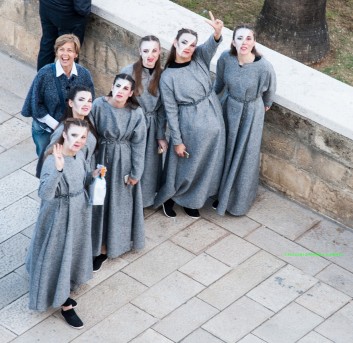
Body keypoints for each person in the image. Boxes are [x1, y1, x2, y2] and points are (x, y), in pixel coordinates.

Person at [26, 118, 100, 329]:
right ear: (64, 135)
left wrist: (92, 175)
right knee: (56, 253)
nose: (78, 140)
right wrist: (58, 170)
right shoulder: (53, 160)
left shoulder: (79, 154)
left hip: (78, 211)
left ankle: (65, 283)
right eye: (74, 135)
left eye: (83, 137)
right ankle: (64, 302)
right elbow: (45, 193)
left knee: (70, 252)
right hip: (59, 214)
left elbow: (81, 178)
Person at [154, 12, 226, 219]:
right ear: (175, 42)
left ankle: (192, 200)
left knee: (206, 163)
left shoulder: (199, 58)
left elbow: (212, 44)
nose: (188, 47)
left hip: (212, 117)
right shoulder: (168, 77)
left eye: (192, 44)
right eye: (184, 42)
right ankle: (169, 197)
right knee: (185, 165)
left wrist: (218, 32)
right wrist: (176, 140)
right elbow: (170, 111)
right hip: (189, 124)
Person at [212, 24, 276, 216]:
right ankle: (218, 191)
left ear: (254, 42)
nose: (244, 42)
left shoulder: (264, 66)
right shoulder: (226, 58)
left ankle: (237, 201)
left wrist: (262, 107)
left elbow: (269, 93)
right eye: (240, 38)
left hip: (251, 113)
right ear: (233, 41)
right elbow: (219, 84)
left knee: (245, 154)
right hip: (228, 106)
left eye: (249, 38)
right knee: (223, 149)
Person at [90, 73, 146, 272]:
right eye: (118, 86)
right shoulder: (98, 105)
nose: (121, 91)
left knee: (118, 204)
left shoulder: (136, 113)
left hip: (123, 160)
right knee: (98, 202)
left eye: (125, 88)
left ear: (131, 93)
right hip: (101, 157)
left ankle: (108, 247)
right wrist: (90, 165)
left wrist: (135, 172)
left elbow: (139, 144)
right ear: (112, 87)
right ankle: (94, 243)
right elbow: (89, 133)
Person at [22, 33, 95, 159]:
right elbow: (36, 104)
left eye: (70, 50)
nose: (65, 54)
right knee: (46, 160)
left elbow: (89, 102)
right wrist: (58, 126)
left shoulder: (84, 75)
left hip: (71, 130)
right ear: (56, 52)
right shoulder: (45, 73)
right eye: (61, 49)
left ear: (76, 54)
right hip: (45, 130)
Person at [121, 35, 168, 208]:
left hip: (153, 124)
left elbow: (163, 108)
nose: (150, 55)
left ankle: (144, 201)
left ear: (159, 52)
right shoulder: (128, 71)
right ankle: (126, 199)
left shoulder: (163, 75)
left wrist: (161, 135)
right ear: (140, 51)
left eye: (154, 51)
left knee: (149, 165)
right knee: (130, 161)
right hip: (133, 124)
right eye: (146, 50)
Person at [44, 85, 97, 173]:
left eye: (89, 101)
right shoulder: (62, 129)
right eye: (81, 100)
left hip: (86, 176)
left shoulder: (89, 122)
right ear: (71, 103)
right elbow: (49, 156)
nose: (86, 104)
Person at [37, 0, 91, 71]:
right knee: (68, 51)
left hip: (46, 6)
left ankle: (42, 79)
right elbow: (82, 8)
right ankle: (65, 81)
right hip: (67, 13)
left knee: (47, 44)